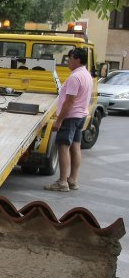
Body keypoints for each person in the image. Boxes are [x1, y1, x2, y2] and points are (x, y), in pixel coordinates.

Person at [44, 47, 93, 192]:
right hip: (81, 116)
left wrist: (59, 120)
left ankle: (62, 182)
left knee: (63, 147)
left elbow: (69, 101)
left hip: (70, 117)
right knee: (76, 147)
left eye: (69, 59)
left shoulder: (74, 77)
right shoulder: (86, 75)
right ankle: (73, 180)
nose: (67, 62)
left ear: (77, 60)